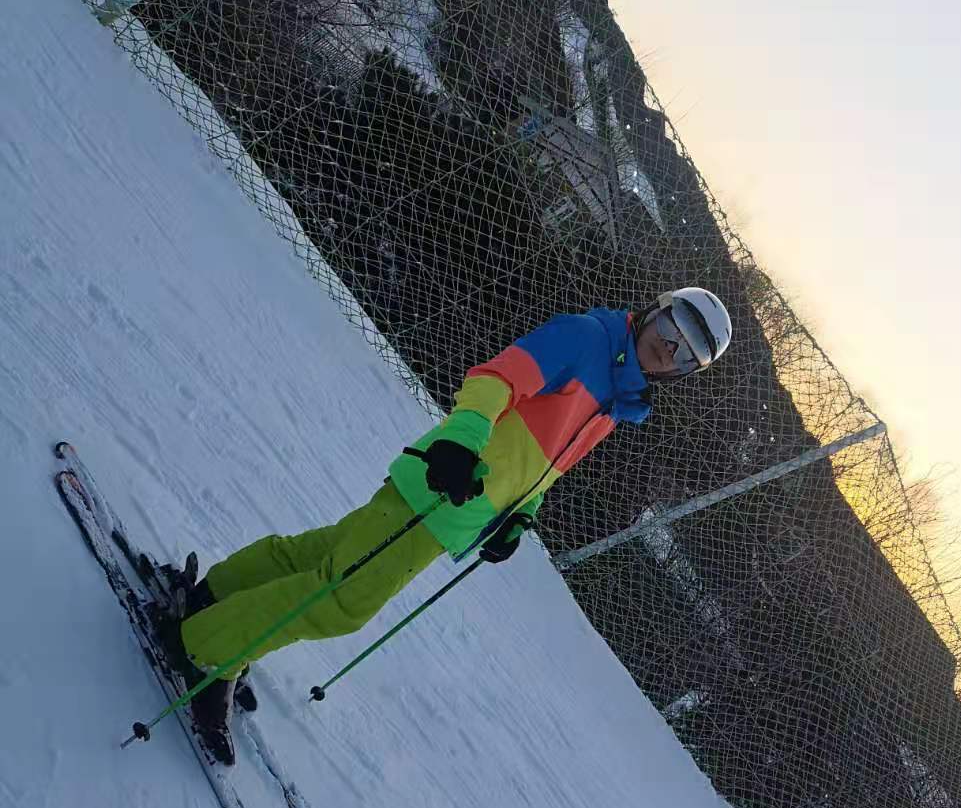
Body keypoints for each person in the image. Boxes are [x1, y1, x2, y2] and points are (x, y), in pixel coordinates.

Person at [167, 288, 733, 763]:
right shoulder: (587, 339)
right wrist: (462, 443)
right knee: (343, 598)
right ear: (655, 308)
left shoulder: (617, 400)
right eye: (674, 326)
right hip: (443, 486)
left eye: (688, 355)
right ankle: (210, 649)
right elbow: (496, 379)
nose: (670, 347)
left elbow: (547, 464)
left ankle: (213, 600)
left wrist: (521, 516)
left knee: (325, 556)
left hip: (462, 509)